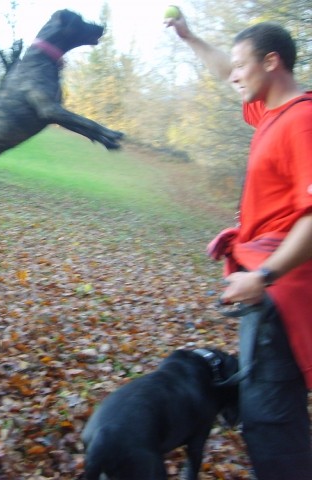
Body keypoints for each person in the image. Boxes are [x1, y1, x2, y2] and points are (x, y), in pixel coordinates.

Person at [165, 9, 312, 480]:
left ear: (272, 63)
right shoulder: (271, 114)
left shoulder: (303, 120)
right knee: (268, 410)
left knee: (270, 417)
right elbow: (221, 72)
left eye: (241, 65)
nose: (232, 75)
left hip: (281, 292)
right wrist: (190, 39)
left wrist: (264, 277)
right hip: (264, 287)